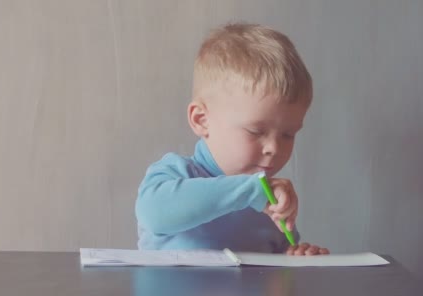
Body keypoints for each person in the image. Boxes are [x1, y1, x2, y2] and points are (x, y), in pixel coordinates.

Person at [135, 23, 329, 256]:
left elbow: (279, 280)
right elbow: (155, 215)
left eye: (288, 134)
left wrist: (296, 255)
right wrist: (252, 191)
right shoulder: (175, 175)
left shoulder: (270, 203)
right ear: (201, 120)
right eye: (256, 131)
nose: (274, 148)